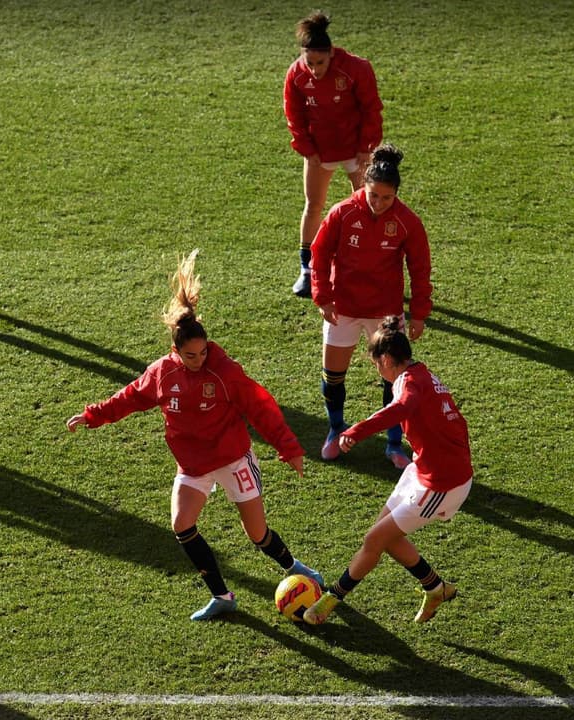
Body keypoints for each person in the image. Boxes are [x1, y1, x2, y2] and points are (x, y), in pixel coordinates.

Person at [67, 250, 323, 621]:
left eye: (203, 351)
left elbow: (260, 406)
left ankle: (298, 570)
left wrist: (289, 447)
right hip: (193, 465)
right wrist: (94, 415)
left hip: (233, 457)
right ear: (175, 351)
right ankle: (222, 595)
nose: (200, 359)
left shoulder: (224, 371)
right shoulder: (162, 373)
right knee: (182, 525)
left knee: (257, 534)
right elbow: (133, 397)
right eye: (191, 355)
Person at [303, 316, 471, 625]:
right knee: (385, 537)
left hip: (442, 484)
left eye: (377, 364)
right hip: (424, 470)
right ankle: (436, 587)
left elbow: (402, 408)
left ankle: (330, 600)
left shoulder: (408, 383)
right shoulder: (420, 373)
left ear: (387, 359)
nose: (378, 371)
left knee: (374, 539)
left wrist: (356, 431)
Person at [310, 144, 431, 468]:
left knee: (394, 380)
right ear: (364, 186)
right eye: (373, 195)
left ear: (396, 195)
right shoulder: (342, 213)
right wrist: (323, 296)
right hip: (344, 309)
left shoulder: (407, 222)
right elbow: (319, 255)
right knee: (333, 376)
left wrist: (419, 313)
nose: (378, 203)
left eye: (386, 198)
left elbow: (420, 269)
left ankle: (393, 445)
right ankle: (336, 429)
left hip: (385, 314)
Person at [283, 11, 383, 298]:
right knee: (313, 205)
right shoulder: (296, 74)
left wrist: (366, 149)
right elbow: (294, 114)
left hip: (355, 148)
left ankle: (366, 267)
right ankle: (307, 270)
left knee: (368, 207)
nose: (314, 69)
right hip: (321, 150)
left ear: (332, 55)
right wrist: (307, 148)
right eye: (309, 63)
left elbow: (371, 110)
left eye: (320, 63)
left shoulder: (357, 69)